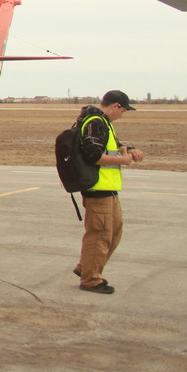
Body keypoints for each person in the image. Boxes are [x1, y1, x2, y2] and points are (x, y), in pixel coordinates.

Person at [73, 89, 144, 295]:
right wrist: (123, 160)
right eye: (123, 111)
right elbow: (94, 155)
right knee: (99, 236)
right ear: (115, 106)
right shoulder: (96, 122)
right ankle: (91, 279)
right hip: (98, 189)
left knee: (114, 231)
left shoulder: (103, 123)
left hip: (108, 189)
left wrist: (128, 149)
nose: (122, 115)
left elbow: (110, 146)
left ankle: (86, 267)